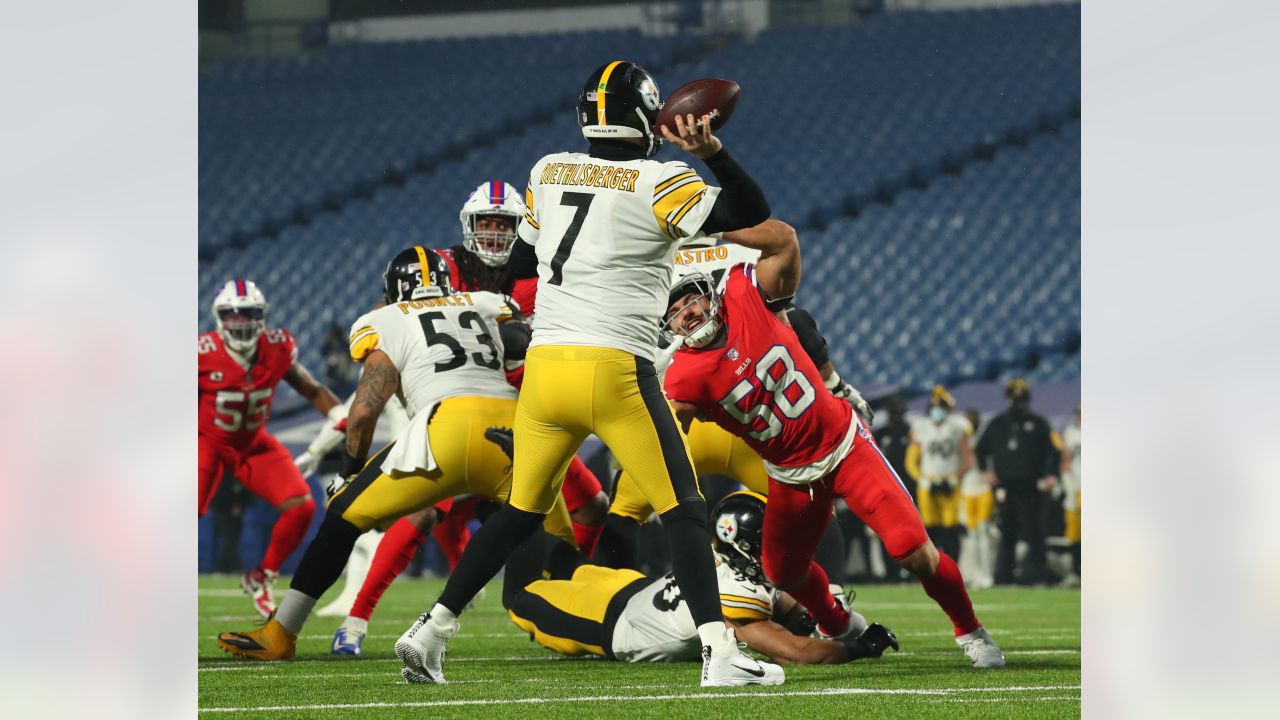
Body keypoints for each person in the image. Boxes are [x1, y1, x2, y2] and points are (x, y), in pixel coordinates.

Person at [394, 59, 783, 688]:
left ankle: (431, 628)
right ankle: (721, 652)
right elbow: (749, 209)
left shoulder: (547, 171)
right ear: (645, 116)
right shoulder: (658, 180)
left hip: (547, 369)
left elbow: (523, 256)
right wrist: (714, 150)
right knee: (684, 508)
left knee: (521, 510)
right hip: (613, 367)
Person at [661, 219, 1005, 668]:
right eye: (675, 310)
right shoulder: (683, 376)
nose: (687, 311)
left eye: (692, 298)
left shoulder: (746, 295)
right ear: (666, 325)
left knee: (911, 550)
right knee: (781, 572)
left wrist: (716, 228)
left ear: (711, 293)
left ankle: (970, 631)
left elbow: (783, 241)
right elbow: (668, 431)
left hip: (844, 447)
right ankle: (838, 621)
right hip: (787, 472)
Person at [215, 247, 575, 660]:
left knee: (342, 517)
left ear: (392, 290)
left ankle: (281, 632)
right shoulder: (487, 302)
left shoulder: (385, 318)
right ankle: (588, 624)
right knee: (556, 546)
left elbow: (365, 409)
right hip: (515, 430)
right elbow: (522, 348)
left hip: (447, 431)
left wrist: (351, 469)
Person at [504, 487, 900, 666]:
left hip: (634, 589)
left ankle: (521, 499)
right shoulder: (738, 592)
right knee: (518, 600)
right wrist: (858, 648)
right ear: (743, 548)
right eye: (767, 542)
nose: (777, 547)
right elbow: (793, 652)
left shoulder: (730, 559)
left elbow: (789, 609)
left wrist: (824, 617)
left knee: (565, 562)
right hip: (611, 624)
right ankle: (512, 494)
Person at [199, 279, 344, 617]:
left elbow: (311, 388)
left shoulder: (276, 348)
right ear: (219, 317)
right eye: (233, 315)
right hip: (209, 443)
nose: (242, 322)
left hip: (252, 443)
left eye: (249, 314)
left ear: (262, 316)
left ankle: (262, 576)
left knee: (301, 507)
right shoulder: (201, 353)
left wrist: (340, 414)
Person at [975, 378, 1061, 586]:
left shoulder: (1039, 424)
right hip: (1005, 488)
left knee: (1035, 532)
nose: (1017, 402)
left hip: (1032, 487)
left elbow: (1055, 452)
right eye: (1014, 398)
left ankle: (1036, 574)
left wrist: (1051, 474)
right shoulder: (996, 424)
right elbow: (980, 449)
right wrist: (985, 472)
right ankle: (1004, 576)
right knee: (1007, 534)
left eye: (1021, 398)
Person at [906, 385, 974, 564]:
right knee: (929, 530)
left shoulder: (959, 426)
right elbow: (911, 461)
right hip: (928, 483)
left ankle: (952, 568)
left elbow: (968, 459)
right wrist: (921, 478)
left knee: (951, 528)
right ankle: (931, 569)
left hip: (950, 482)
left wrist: (954, 478)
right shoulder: (921, 427)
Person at [958, 408, 996, 588]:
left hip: (982, 487)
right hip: (967, 489)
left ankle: (986, 574)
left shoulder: (985, 437)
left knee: (983, 531)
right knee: (971, 534)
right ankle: (973, 573)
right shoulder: (958, 438)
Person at [1058, 404, 1081, 587]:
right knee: (1074, 533)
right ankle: (1076, 572)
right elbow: (1065, 462)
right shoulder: (1071, 433)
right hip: (1076, 487)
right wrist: (1069, 486)